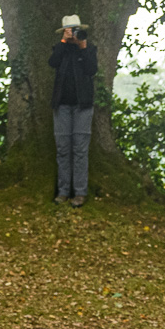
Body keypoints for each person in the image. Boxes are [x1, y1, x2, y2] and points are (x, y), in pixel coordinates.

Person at [49, 14, 98, 207]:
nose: (73, 34)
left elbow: (91, 70)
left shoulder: (89, 48)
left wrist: (82, 46)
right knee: (62, 149)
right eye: (70, 31)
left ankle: (79, 193)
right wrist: (63, 42)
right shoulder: (60, 49)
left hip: (83, 105)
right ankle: (62, 192)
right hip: (61, 105)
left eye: (76, 30)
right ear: (64, 32)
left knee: (80, 150)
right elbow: (52, 63)